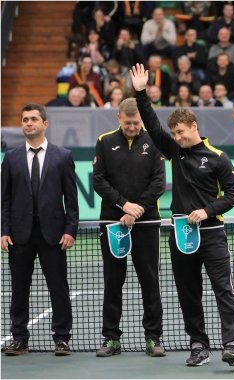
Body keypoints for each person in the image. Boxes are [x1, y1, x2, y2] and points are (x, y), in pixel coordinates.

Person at [130, 63, 234, 367]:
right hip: (181, 236)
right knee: (188, 294)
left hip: (213, 235)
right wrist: (140, 92)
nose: (177, 138)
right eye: (174, 134)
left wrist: (206, 211)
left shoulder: (219, 158)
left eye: (181, 132)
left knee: (224, 291)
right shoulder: (174, 151)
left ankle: (231, 344)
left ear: (194, 127)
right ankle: (198, 345)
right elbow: (152, 125)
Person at [1, 103, 79, 356]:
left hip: (54, 235)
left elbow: (71, 198)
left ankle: (62, 339)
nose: (28, 123)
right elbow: (4, 199)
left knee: (58, 287)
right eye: (24, 119)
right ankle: (20, 338)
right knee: (19, 289)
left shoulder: (63, 156)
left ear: (45, 124)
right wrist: (4, 230)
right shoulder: (11, 158)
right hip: (19, 235)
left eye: (33, 119)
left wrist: (70, 229)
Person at [93, 98, 166, 357]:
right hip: (113, 224)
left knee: (150, 281)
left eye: (136, 123)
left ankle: (153, 338)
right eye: (128, 123)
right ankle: (111, 338)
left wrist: (137, 210)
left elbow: (159, 182)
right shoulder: (104, 142)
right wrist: (124, 205)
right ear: (118, 119)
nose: (132, 127)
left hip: (146, 223)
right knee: (113, 281)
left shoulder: (154, 141)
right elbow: (98, 180)